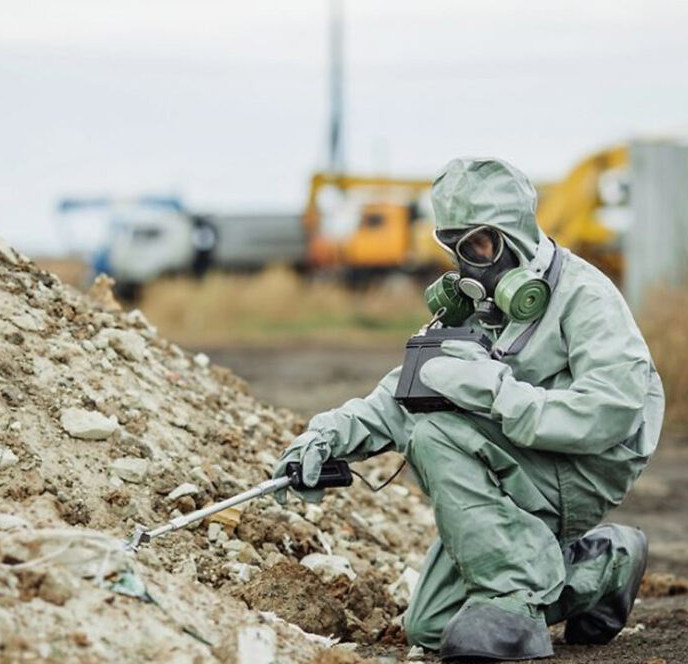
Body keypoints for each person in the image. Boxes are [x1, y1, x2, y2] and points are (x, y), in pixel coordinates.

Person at [273, 158, 664, 660]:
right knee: (431, 625)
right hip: (518, 462)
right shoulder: (478, 308)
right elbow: (407, 393)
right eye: (454, 246)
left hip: (583, 468)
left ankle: (512, 606)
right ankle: (603, 568)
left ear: (514, 234)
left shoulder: (586, 297)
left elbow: (611, 411)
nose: (468, 263)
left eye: (479, 244)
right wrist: (327, 435)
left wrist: (495, 390)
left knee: (435, 433)